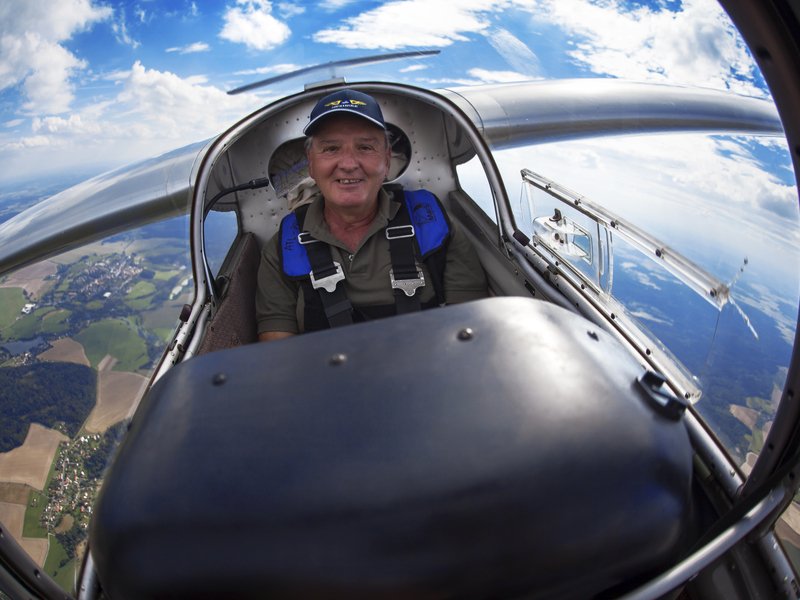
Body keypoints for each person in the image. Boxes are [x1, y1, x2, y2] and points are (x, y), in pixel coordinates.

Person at [255, 89, 488, 341]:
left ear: (386, 161)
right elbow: (278, 352)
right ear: (311, 163)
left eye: (365, 147)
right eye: (331, 149)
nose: (348, 164)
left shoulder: (432, 225)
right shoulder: (283, 249)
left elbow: (470, 334)